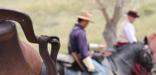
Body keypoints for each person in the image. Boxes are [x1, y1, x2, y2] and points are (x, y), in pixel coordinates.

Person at [68, 11, 106, 75]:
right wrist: (90, 65)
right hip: (81, 57)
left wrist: (97, 47)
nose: (88, 24)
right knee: (101, 72)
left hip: (74, 54)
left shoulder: (74, 30)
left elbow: (83, 45)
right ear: (84, 21)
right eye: (87, 22)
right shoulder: (80, 33)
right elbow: (83, 52)